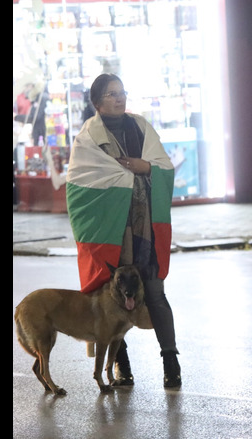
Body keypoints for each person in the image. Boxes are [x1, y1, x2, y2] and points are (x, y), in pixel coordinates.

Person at [64, 73, 182, 389]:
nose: (119, 99)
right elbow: (79, 186)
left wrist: (140, 167)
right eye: (112, 94)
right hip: (110, 229)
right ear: (97, 102)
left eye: (122, 92)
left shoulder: (141, 127)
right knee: (110, 299)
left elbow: (164, 167)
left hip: (145, 229)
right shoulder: (87, 139)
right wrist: (122, 175)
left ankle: (171, 361)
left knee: (155, 293)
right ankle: (121, 365)